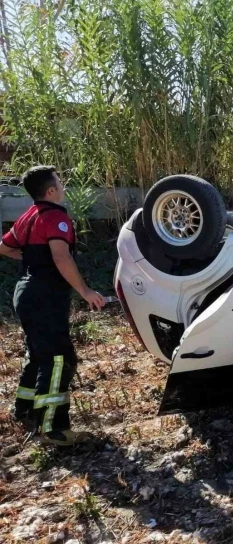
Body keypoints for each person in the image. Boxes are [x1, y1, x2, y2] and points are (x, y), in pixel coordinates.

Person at [0, 165, 105, 446]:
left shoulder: (28, 216)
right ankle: (54, 428)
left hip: (26, 291)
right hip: (45, 295)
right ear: (51, 190)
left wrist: (33, 259)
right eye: (60, 182)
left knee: (38, 354)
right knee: (59, 359)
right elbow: (61, 257)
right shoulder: (56, 216)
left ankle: (24, 409)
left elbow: (4, 246)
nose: (63, 186)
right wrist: (85, 291)